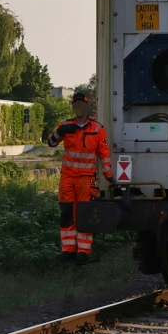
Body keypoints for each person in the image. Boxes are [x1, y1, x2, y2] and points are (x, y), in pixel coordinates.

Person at [48, 92, 111, 264]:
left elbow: (103, 154)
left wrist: (109, 175)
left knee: (85, 215)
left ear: (86, 106)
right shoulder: (65, 125)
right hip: (67, 178)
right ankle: (68, 250)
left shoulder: (97, 128)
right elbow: (51, 142)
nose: (78, 107)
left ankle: (83, 251)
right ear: (73, 106)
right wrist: (60, 131)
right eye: (75, 104)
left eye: (81, 104)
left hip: (86, 179)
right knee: (67, 213)